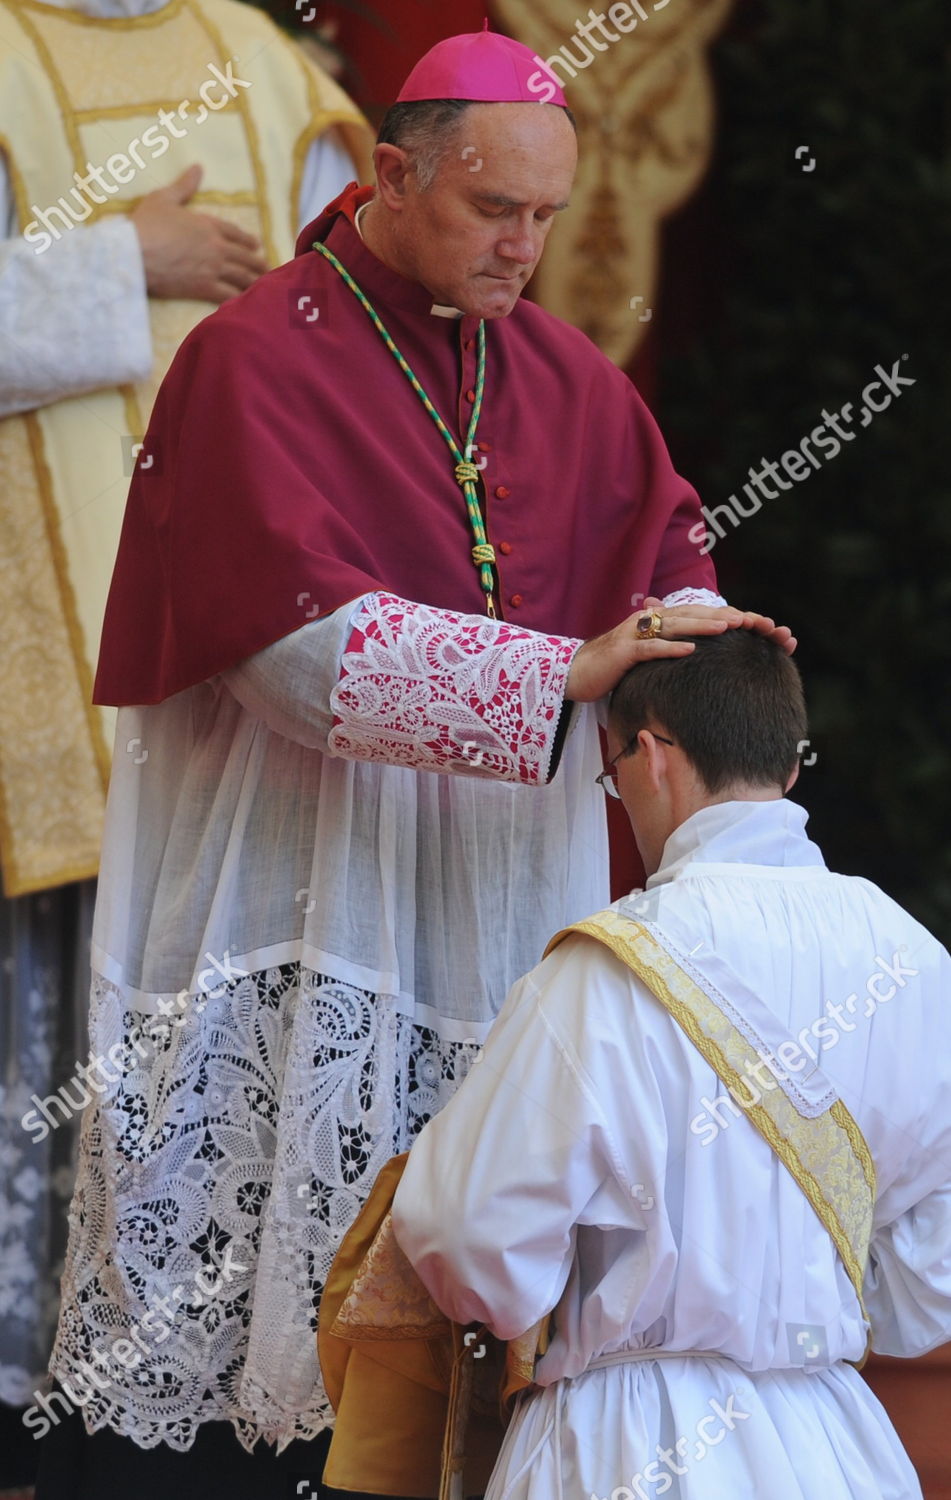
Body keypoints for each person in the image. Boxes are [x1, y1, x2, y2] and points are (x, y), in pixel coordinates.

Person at [38, 25, 793, 1497]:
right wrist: (553, 675)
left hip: (492, 927)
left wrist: (702, 628)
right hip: (301, 908)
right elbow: (286, 649)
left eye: (545, 217)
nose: (524, 248)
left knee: (460, 1363)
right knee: (252, 1382)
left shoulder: (571, 380)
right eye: (490, 210)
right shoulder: (250, 362)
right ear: (392, 173)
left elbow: (666, 547)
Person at [0, 0, 370, 1421]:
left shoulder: (269, 69)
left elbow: (370, 333)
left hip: (239, 645)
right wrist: (119, 269)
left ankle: (196, 1376)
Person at [391, 630, 951, 1500]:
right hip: (839, 1448)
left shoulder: (599, 971)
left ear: (649, 756)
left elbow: (467, 1237)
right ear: (786, 766)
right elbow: (928, 1292)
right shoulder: (915, 962)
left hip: (617, 1445)